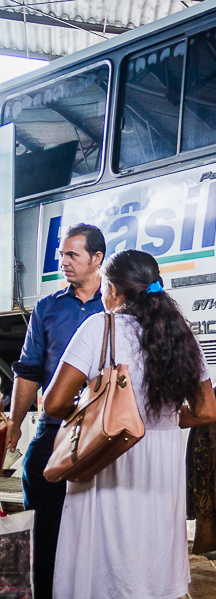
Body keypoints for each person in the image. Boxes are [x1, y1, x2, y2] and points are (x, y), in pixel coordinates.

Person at [43, 249, 216, 599]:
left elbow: (54, 402)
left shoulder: (99, 328)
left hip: (108, 459)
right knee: (149, 570)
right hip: (159, 471)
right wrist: (163, 419)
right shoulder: (181, 336)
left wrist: (102, 416)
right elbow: (207, 412)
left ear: (113, 289)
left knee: (102, 573)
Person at [8, 223, 106, 599]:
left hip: (102, 434)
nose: (63, 262)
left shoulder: (116, 308)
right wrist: (15, 425)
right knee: (45, 523)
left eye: (72, 255)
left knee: (96, 528)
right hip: (54, 431)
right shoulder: (47, 308)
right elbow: (29, 370)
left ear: (97, 259)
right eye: (62, 255)